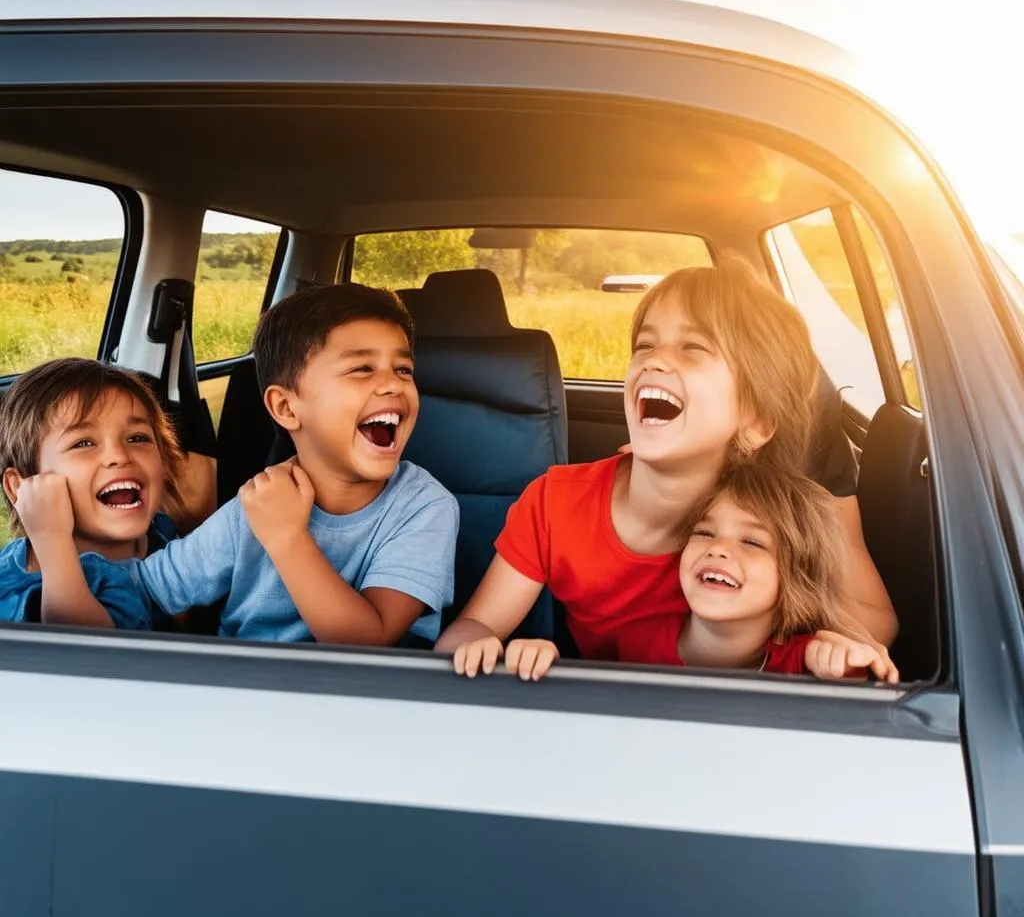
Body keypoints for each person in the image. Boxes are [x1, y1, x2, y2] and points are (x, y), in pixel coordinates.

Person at [437, 256, 894, 676]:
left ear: (754, 422)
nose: (653, 359)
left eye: (693, 348)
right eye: (644, 344)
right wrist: (474, 648)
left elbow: (871, 624)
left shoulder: (768, 525)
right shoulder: (556, 500)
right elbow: (478, 623)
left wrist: (828, 649)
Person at [123, 283, 459, 645]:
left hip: (365, 693)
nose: (393, 384)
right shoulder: (260, 502)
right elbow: (151, 588)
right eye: (362, 368)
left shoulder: (424, 507)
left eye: (403, 369)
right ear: (286, 408)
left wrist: (287, 538)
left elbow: (366, 642)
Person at [503, 463, 898, 682]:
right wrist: (540, 661)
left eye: (753, 542)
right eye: (704, 532)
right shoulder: (634, 644)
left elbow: (853, 693)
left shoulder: (808, 659)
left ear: (797, 580)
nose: (718, 548)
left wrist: (846, 669)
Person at [0, 358, 185, 629]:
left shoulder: (162, 532)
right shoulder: (13, 590)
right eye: (83, 443)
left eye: (137, 438)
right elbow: (87, 656)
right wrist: (52, 542)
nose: (119, 456)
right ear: (22, 486)